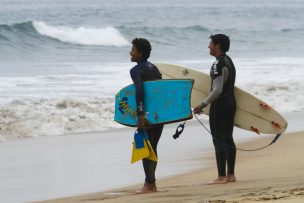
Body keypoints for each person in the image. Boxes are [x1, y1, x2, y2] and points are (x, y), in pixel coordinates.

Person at [193, 34, 237, 184]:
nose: (208, 46)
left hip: (220, 105)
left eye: (211, 43)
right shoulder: (229, 61)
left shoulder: (217, 64)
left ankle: (221, 176)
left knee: (218, 139)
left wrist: (203, 104)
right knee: (228, 137)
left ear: (217, 45)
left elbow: (217, 90)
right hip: (231, 102)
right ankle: (231, 175)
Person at [129, 38, 164, 193]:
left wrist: (140, 113)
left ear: (140, 53)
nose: (130, 52)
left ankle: (150, 184)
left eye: (133, 50)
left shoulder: (136, 70)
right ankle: (149, 183)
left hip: (147, 115)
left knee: (146, 149)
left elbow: (140, 91)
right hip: (159, 115)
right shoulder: (154, 68)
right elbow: (160, 90)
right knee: (153, 146)